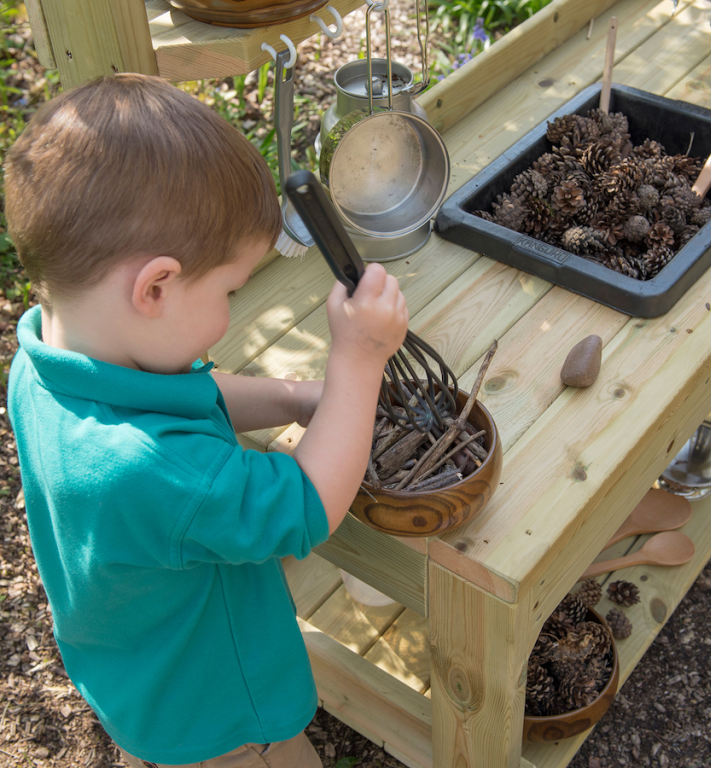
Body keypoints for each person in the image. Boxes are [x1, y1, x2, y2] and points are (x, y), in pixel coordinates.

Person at [4, 73, 409, 768]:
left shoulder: (45, 356)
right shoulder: (154, 471)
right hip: (223, 720)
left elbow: (194, 392)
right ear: (156, 287)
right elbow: (307, 506)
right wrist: (358, 365)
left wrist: (296, 398)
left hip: (141, 679)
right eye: (228, 289)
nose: (228, 309)